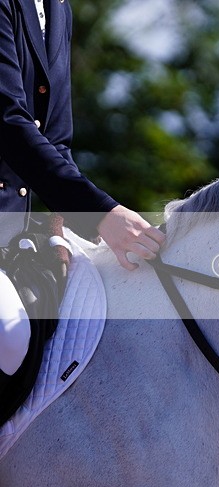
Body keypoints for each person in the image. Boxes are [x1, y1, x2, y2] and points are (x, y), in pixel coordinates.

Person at [0, 0, 165, 385]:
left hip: (9, 234)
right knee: (9, 335)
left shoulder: (58, 9)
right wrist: (100, 213)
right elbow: (8, 122)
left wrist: (92, 227)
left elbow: (54, 141)